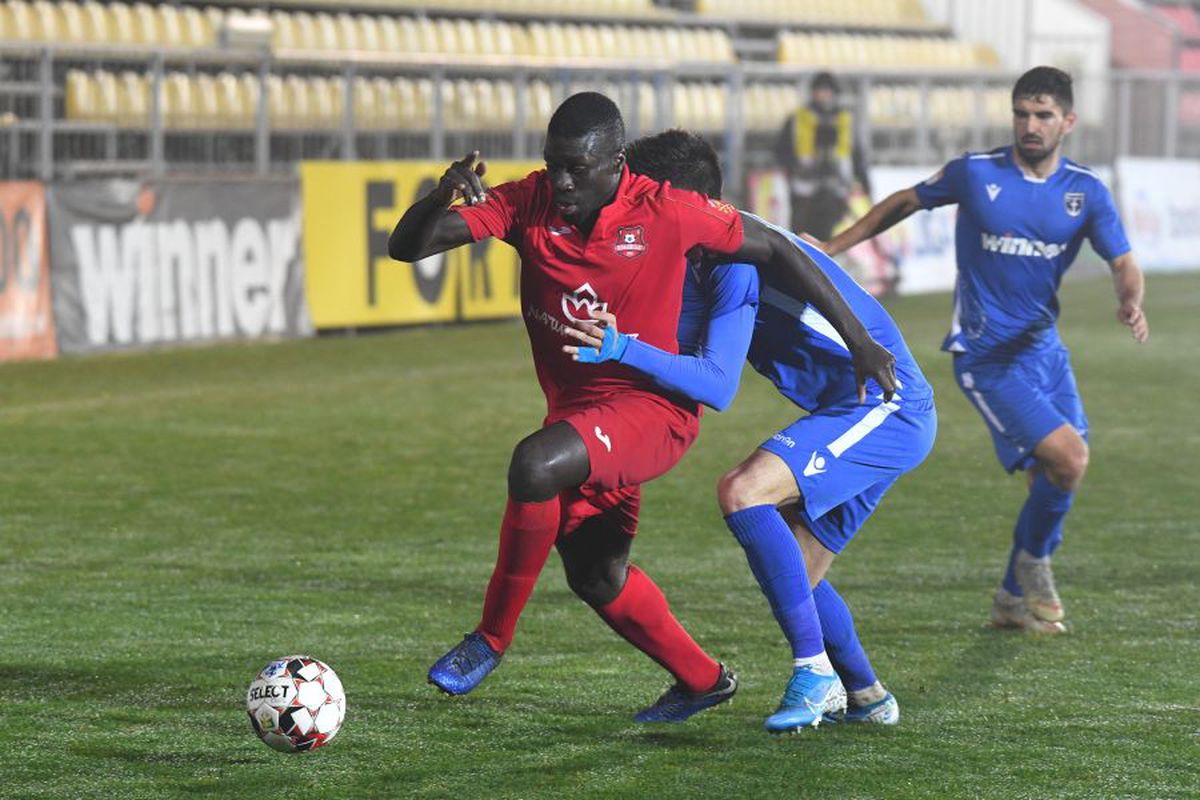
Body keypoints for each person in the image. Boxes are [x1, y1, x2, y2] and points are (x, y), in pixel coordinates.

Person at [388, 92, 898, 722]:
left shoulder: (666, 210)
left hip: (651, 411)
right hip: (580, 413)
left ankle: (489, 639)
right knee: (596, 575)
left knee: (533, 466)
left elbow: (781, 248)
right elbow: (407, 248)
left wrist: (861, 342)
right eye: (554, 164)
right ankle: (704, 680)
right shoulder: (529, 199)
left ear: (617, 163)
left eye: (578, 167)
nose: (563, 180)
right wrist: (441, 199)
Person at [562, 129, 936, 732]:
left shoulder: (732, 254)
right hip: (852, 411)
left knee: (743, 490)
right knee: (799, 570)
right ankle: (866, 694)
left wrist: (622, 346)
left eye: (645, 198)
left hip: (886, 405)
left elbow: (715, 383)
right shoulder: (701, 254)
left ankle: (815, 675)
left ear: (682, 201)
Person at [823, 67, 1149, 633]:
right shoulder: (976, 174)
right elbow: (905, 201)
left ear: (1067, 122)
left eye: (1043, 115)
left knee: (1055, 478)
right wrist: (832, 248)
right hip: (985, 355)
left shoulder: (1085, 191)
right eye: (1022, 112)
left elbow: (1123, 260)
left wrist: (1130, 301)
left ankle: (1010, 597)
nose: (1030, 124)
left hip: (1045, 352)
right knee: (1069, 459)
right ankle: (1033, 570)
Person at [777, 71, 873, 241]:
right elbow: (781, 150)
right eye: (820, 90)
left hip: (835, 190)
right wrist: (794, 168)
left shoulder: (845, 120)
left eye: (827, 90)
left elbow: (856, 155)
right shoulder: (798, 119)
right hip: (804, 189)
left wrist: (865, 183)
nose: (823, 95)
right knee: (801, 237)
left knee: (829, 238)